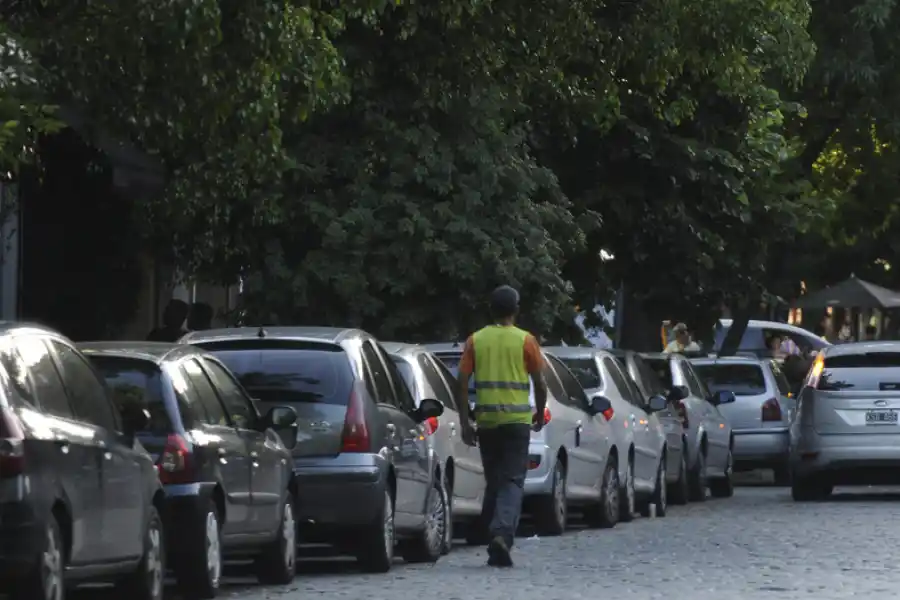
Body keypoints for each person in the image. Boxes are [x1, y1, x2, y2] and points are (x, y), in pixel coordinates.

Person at [456, 285, 547, 568]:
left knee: (495, 480)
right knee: (511, 481)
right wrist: (540, 411)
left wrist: (464, 421)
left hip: (487, 422)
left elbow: (460, 382)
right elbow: (540, 383)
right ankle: (501, 533)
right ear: (516, 310)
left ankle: (494, 532)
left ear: (490, 309)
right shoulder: (526, 341)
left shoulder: (476, 340)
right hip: (517, 422)